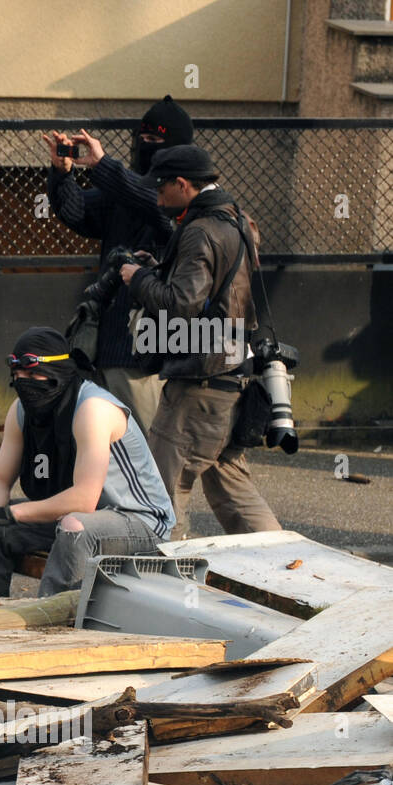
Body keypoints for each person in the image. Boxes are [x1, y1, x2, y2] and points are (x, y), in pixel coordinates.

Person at [121, 145, 281, 540]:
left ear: (182, 184)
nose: (157, 197)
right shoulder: (239, 221)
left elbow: (181, 305)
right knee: (230, 483)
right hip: (233, 375)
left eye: (162, 187)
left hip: (200, 382)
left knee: (162, 491)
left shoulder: (199, 231)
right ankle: (282, 566)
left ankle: (166, 584)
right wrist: (160, 268)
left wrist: (137, 279)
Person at [0, 327, 174, 598]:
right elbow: (0, 479)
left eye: (32, 372)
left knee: (75, 526)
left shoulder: (93, 409)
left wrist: (12, 513)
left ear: (58, 371)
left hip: (139, 522)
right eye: (18, 374)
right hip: (72, 519)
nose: (24, 381)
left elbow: (84, 500)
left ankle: (52, 625)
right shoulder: (20, 410)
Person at [43, 95, 194, 435]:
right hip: (104, 345)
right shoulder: (124, 192)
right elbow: (77, 211)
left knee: (150, 445)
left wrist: (102, 165)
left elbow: (150, 201)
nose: (145, 146)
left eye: (156, 141)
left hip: (146, 352)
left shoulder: (181, 201)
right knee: (100, 443)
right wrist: (62, 172)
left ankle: (159, 492)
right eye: (142, 138)